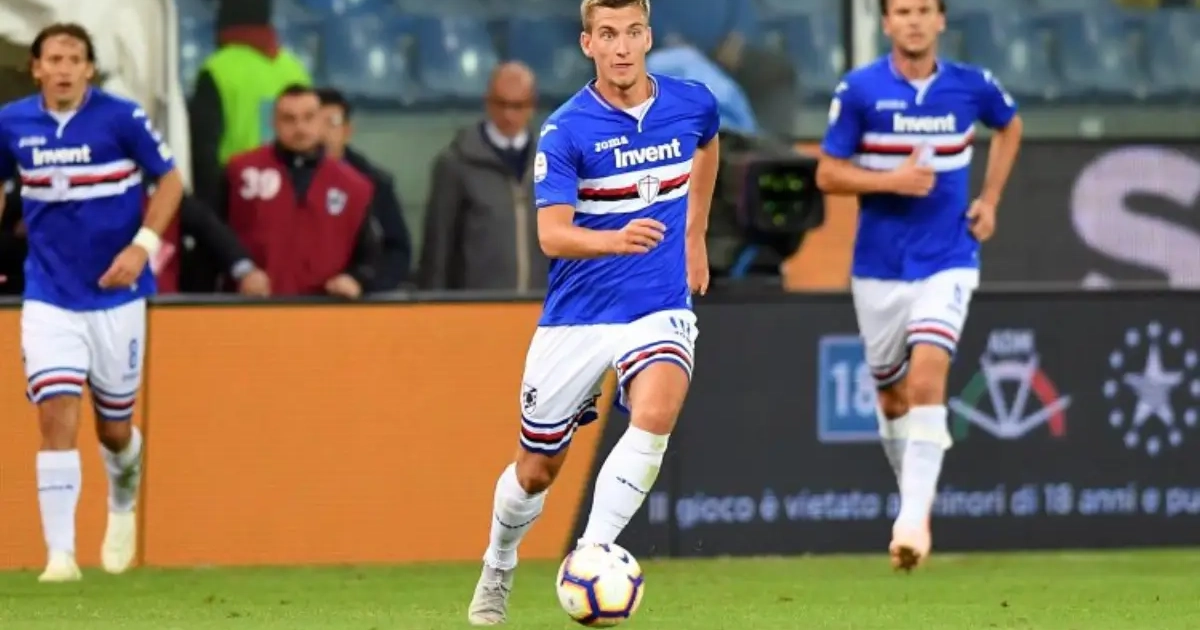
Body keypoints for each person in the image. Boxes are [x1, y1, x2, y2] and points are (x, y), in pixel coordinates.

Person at [466, 0, 719, 624]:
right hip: (578, 316)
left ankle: (592, 553)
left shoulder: (691, 103)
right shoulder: (566, 130)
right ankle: (499, 562)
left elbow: (709, 143)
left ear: (648, 37)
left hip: (658, 303)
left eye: (632, 32)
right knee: (536, 470)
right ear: (589, 45)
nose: (622, 47)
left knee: (656, 412)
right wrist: (615, 239)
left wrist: (693, 235)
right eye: (608, 34)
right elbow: (552, 235)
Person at [815, 0, 1023, 571]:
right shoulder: (860, 90)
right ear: (886, 22)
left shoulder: (972, 86)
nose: (913, 20)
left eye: (924, 9)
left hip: (948, 258)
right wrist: (893, 179)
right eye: (902, 10)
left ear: (941, 20)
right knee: (891, 395)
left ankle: (911, 522)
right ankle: (912, 499)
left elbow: (1010, 125)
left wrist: (990, 200)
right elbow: (827, 172)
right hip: (879, 267)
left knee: (928, 375)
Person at [0, 23, 184, 582]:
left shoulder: (120, 118)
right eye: (53, 59)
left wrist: (142, 247)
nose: (63, 68)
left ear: (89, 69)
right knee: (55, 413)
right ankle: (60, 556)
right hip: (49, 294)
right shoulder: (11, 123)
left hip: (115, 295)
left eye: (74, 59)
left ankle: (122, 495)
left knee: (113, 430)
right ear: (36, 68)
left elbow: (170, 181)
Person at [219, 84, 378, 298]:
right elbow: (214, 237)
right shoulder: (239, 173)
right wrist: (241, 271)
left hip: (324, 310)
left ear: (322, 122)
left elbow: (370, 255)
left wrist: (355, 278)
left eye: (308, 117)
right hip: (252, 307)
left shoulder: (354, 186)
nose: (300, 128)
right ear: (273, 123)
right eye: (289, 119)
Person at [418, 62, 547, 292]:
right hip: (477, 305)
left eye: (517, 106)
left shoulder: (554, 164)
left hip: (541, 304)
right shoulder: (456, 164)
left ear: (532, 105)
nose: (508, 115)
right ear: (487, 102)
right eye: (501, 104)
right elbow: (438, 248)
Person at [316, 87, 411, 291]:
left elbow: (397, 251)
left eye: (332, 124)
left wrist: (366, 285)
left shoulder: (375, 183)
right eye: (315, 123)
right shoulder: (283, 180)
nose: (323, 134)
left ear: (347, 131)